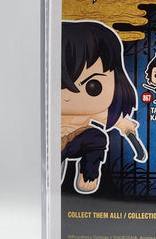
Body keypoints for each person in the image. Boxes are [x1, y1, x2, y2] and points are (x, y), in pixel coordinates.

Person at [61, 21, 146, 194]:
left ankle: (89, 175)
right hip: (48, 143)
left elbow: (107, 115)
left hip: (77, 139)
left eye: (93, 86)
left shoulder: (90, 110)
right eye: (60, 84)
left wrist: (124, 124)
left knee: (96, 137)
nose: (68, 95)